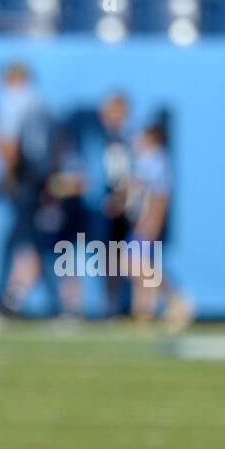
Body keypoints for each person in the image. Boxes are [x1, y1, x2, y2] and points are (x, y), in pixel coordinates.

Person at [0, 61, 53, 315]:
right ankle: (53, 298)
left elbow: (9, 142)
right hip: (39, 175)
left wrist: (8, 175)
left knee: (15, 239)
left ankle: (0, 297)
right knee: (32, 237)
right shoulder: (41, 102)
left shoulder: (12, 100)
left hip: (23, 175)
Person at [125, 121, 192, 329]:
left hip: (146, 223)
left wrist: (151, 223)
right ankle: (143, 311)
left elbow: (159, 196)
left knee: (136, 265)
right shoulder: (147, 160)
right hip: (140, 221)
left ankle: (175, 297)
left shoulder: (154, 161)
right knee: (134, 266)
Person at [96, 92, 134, 316]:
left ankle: (165, 299)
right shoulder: (103, 138)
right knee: (110, 258)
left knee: (133, 260)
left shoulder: (129, 138)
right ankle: (112, 305)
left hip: (127, 208)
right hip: (109, 206)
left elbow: (132, 177)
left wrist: (120, 200)